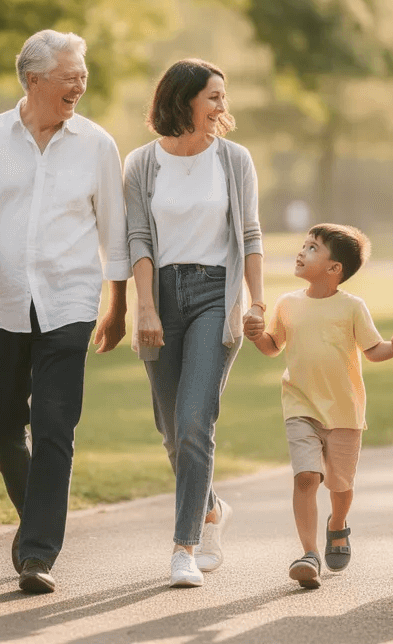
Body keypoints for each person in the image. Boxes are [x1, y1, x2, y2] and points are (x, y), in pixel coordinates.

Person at [0, 29, 130, 594]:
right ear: (34, 79)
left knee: (54, 424)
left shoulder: (96, 143)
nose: (80, 83)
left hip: (69, 302)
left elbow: (114, 232)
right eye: (69, 74)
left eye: (83, 73)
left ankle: (38, 553)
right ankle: (38, 516)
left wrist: (118, 305)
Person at [124, 58, 264, 588]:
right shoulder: (141, 163)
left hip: (215, 295)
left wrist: (256, 302)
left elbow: (249, 234)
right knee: (170, 429)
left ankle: (184, 547)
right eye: (213, 97)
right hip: (160, 294)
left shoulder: (234, 160)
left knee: (193, 423)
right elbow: (137, 238)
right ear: (182, 100)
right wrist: (145, 307)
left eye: (222, 97)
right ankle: (209, 508)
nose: (222, 107)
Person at [245, 224, 393, 588]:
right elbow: (274, 346)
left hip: (344, 412)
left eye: (313, 248)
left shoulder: (352, 307)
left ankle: (337, 524)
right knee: (306, 476)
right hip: (299, 405)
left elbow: (373, 349)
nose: (301, 252)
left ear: (335, 268)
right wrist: (257, 336)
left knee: (340, 484)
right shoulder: (288, 304)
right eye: (303, 245)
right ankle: (309, 553)